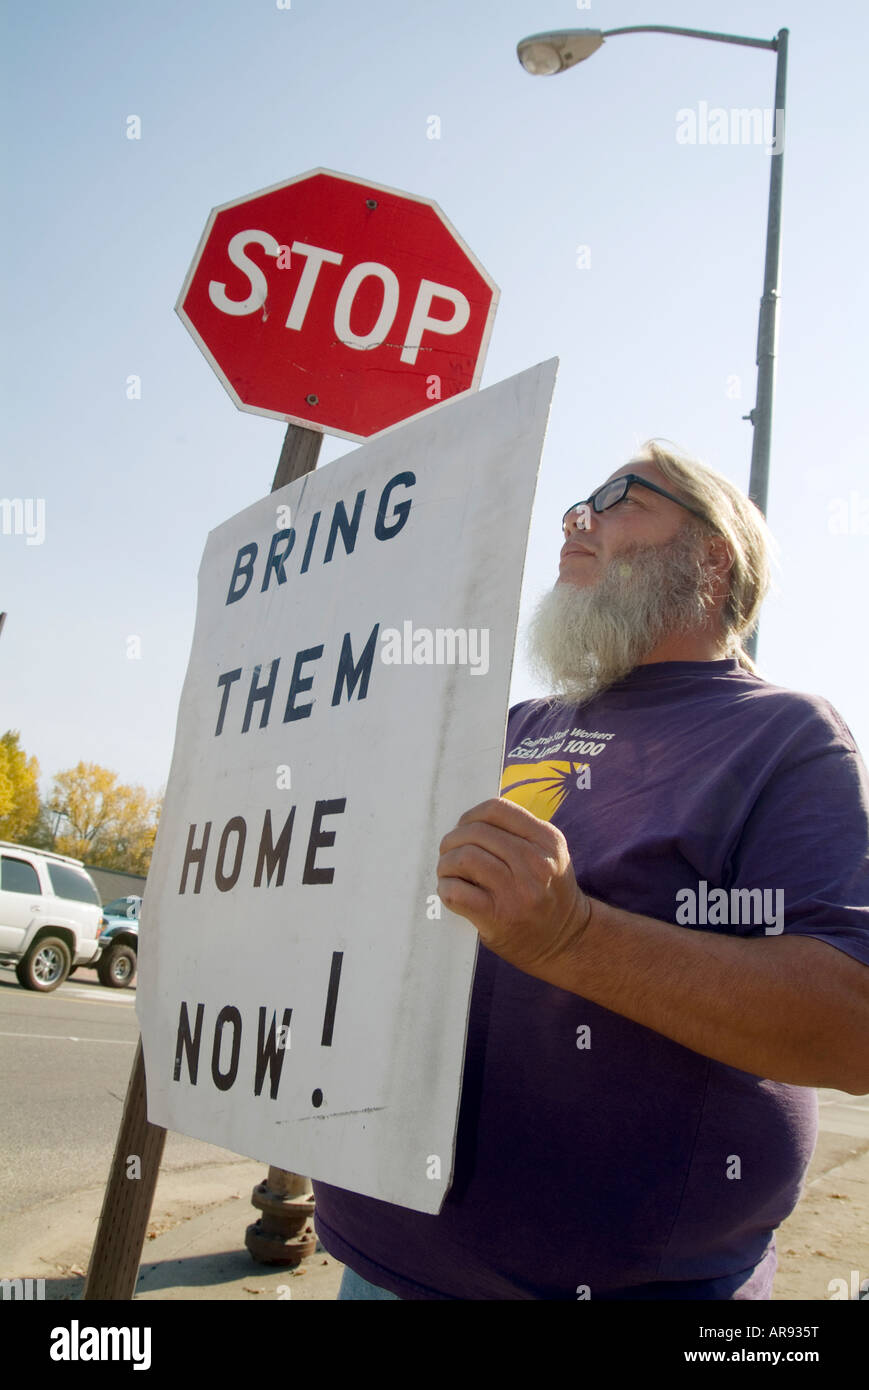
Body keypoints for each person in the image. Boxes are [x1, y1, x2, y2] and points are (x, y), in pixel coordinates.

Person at [313, 439, 869, 1300]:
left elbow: (850, 1029)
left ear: (711, 554)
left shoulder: (787, 736)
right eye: (577, 506)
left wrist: (569, 937)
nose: (578, 521)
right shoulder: (511, 724)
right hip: (382, 1262)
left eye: (619, 498)